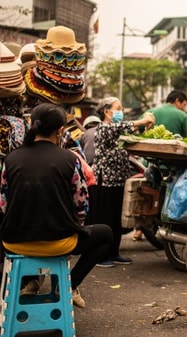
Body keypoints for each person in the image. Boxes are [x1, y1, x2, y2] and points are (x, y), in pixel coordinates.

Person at [0, 103, 113, 308]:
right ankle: (70, 284)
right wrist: (73, 225)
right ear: (61, 130)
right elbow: (82, 205)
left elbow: (3, 205)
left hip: (13, 242)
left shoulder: (11, 159)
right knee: (105, 234)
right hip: (59, 242)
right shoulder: (70, 159)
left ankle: (29, 281)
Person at [91, 97, 155, 268]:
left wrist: (146, 127)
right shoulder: (104, 128)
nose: (120, 112)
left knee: (114, 219)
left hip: (119, 180)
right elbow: (123, 126)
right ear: (106, 111)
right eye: (117, 108)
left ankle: (113, 252)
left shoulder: (118, 130)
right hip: (105, 181)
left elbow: (133, 137)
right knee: (104, 220)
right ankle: (99, 256)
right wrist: (143, 120)